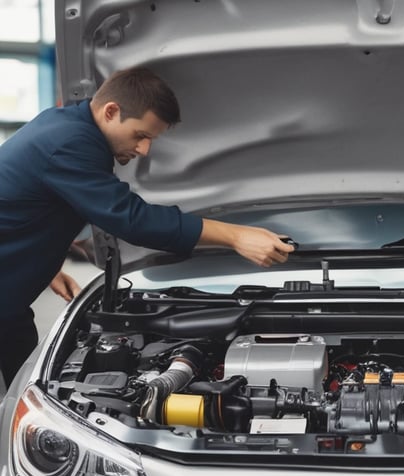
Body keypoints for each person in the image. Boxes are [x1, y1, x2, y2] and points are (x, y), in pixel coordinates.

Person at [0, 67, 295, 387]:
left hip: (10, 300)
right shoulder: (70, 142)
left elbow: (23, 204)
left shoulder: (67, 125)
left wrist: (43, 265)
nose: (144, 150)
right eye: (141, 135)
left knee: (26, 386)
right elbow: (131, 219)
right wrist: (236, 236)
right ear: (111, 111)